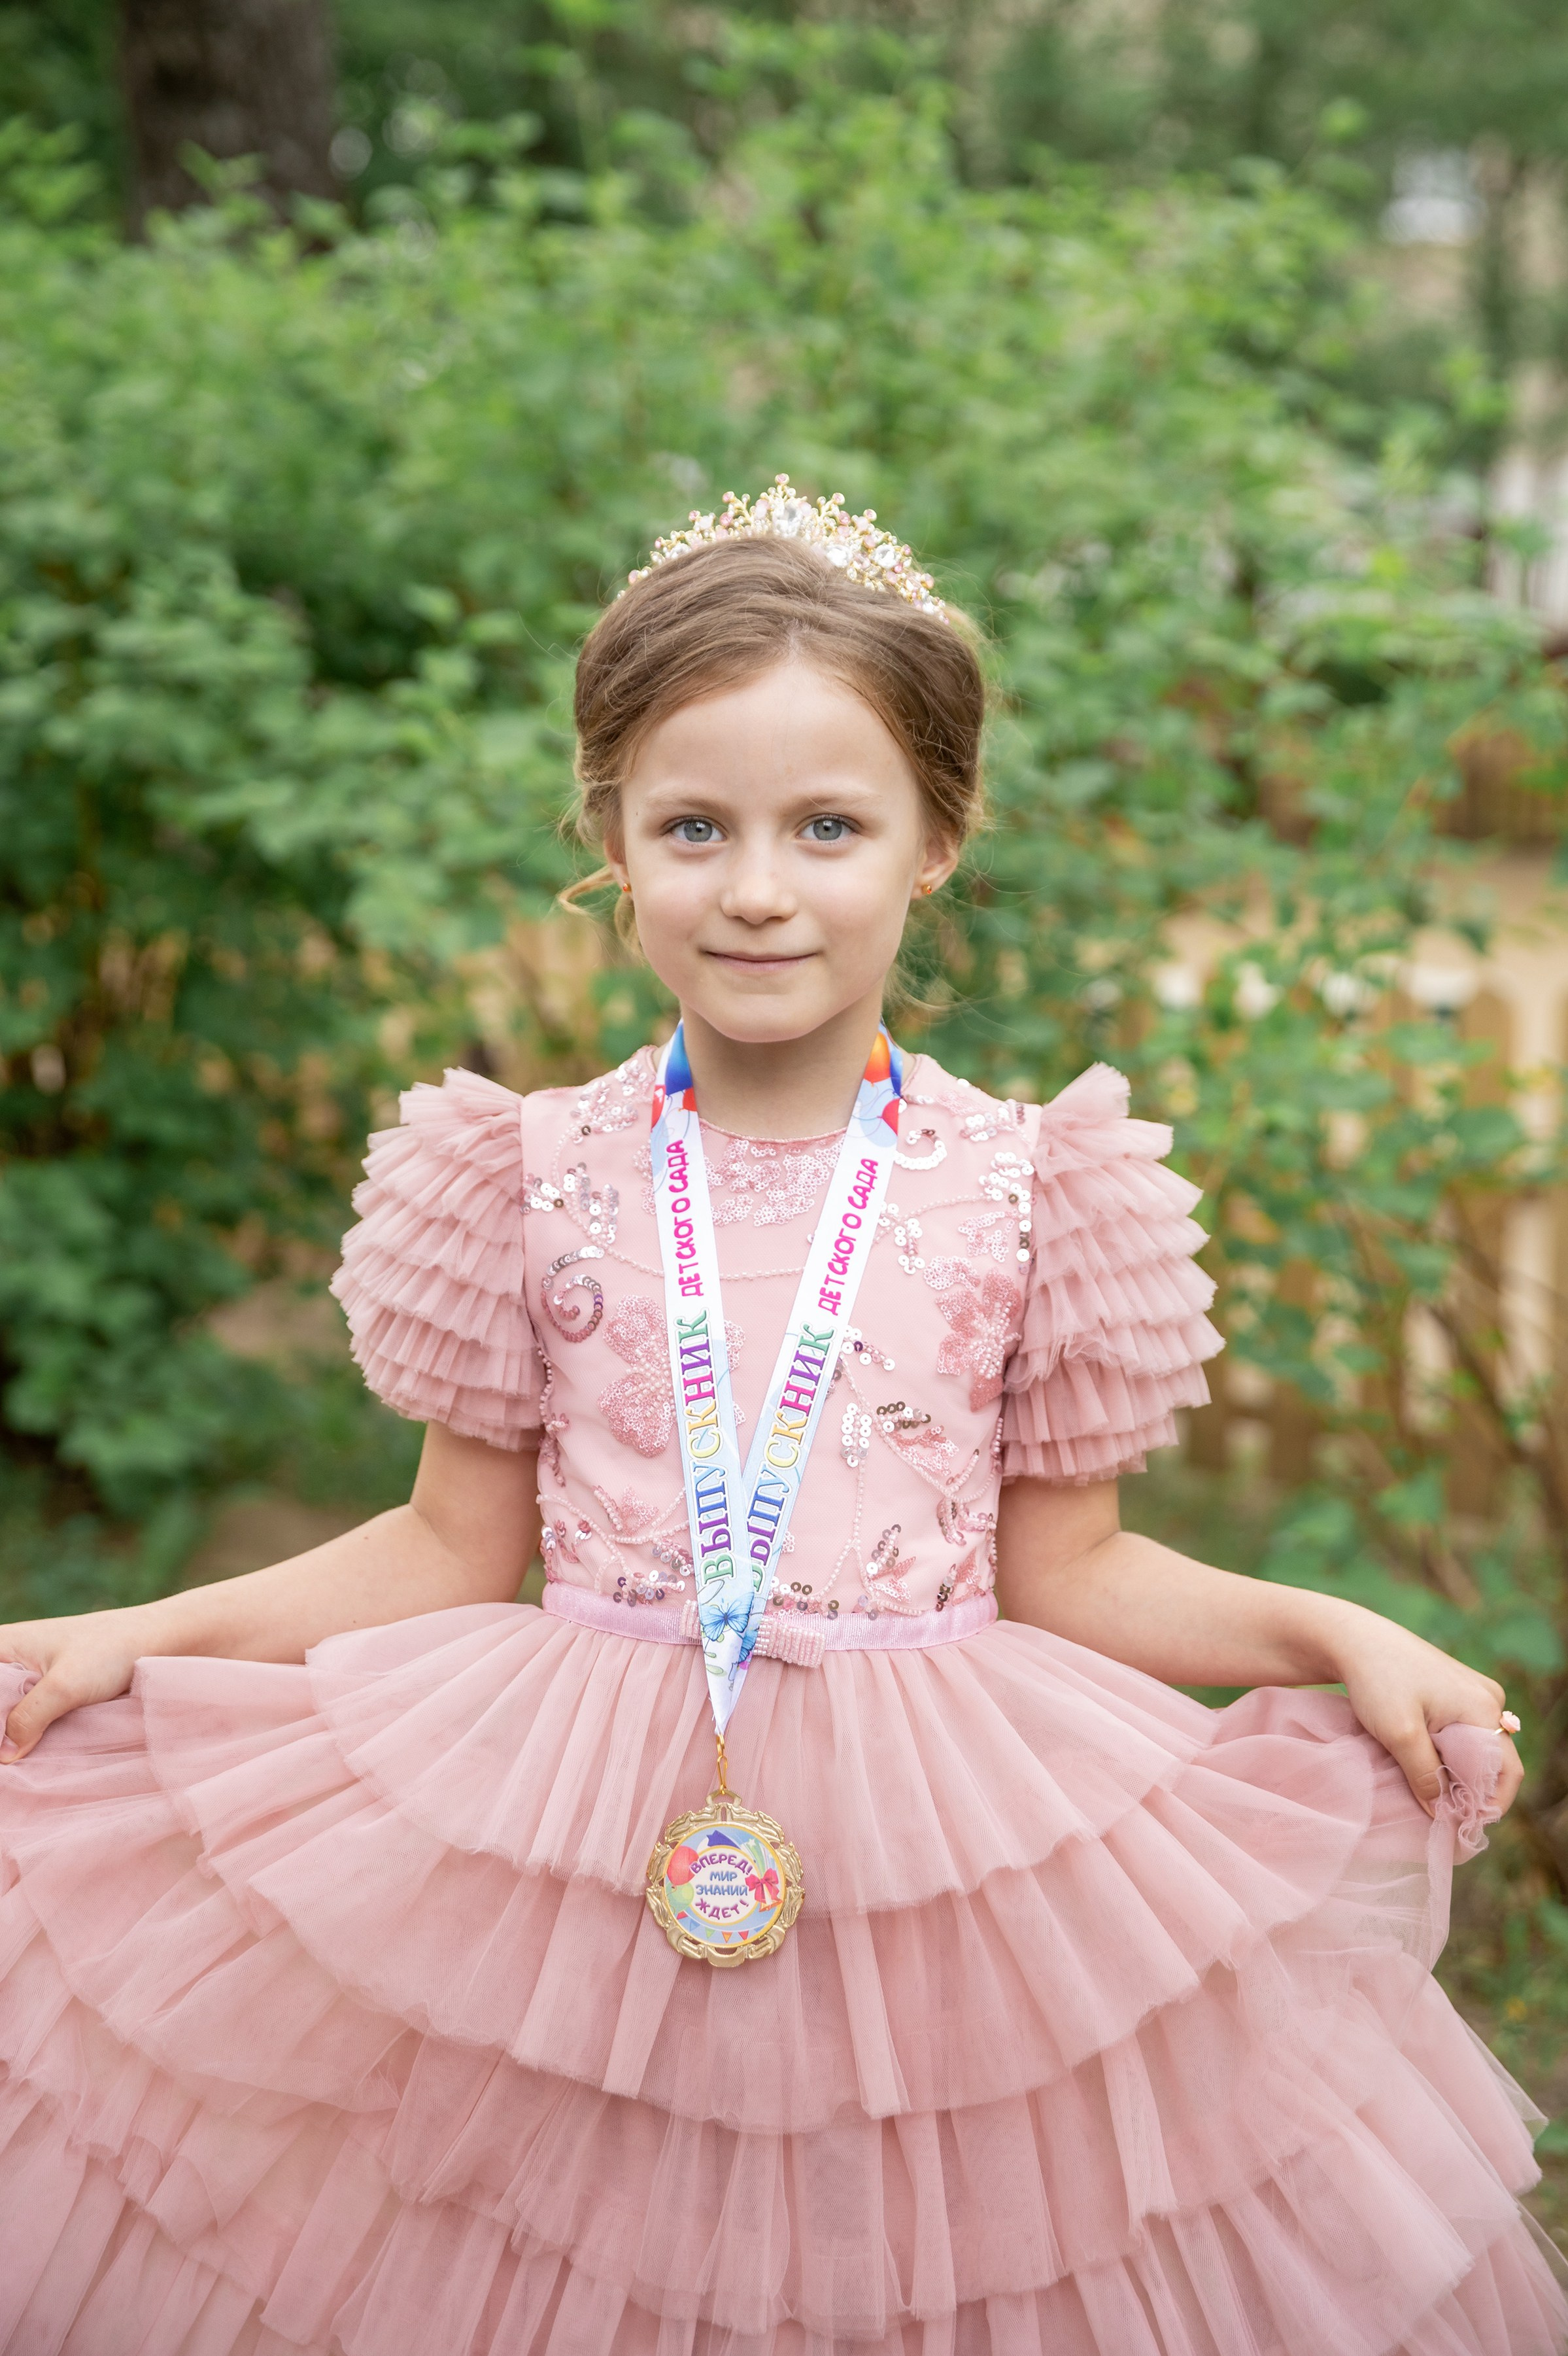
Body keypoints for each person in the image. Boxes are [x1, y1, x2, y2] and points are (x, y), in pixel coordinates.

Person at [0, 477, 1562, 2356]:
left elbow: (1076, 1568)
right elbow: (444, 1545)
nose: (757, 884)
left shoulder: (1032, 1179)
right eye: (695, 825)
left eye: (829, 825)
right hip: (562, 1830)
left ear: (936, 842)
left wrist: (1334, 1626)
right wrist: (140, 1629)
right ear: (612, 840)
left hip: (947, 1837)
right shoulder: (524, 1166)